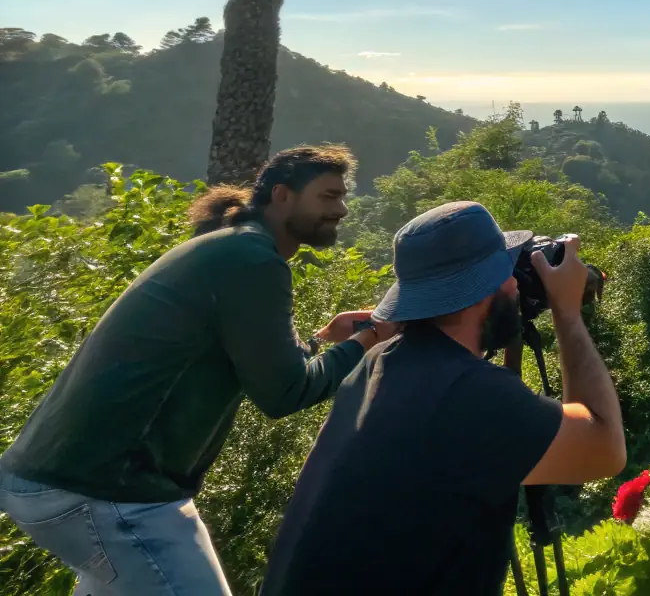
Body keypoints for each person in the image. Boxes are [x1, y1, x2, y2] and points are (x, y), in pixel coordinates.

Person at [0, 144, 387, 595]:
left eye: (342, 196)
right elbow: (284, 393)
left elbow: (256, 358)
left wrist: (323, 341)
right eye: (327, 195)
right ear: (282, 195)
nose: (341, 209)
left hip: (63, 480)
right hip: (107, 490)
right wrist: (368, 343)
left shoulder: (231, 248)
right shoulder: (252, 260)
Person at [260, 200, 627, 596]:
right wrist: (567, 313)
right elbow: (605, 449)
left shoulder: (378, 365)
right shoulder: (472, 395)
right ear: (482, 291)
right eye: (507, 273)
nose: (516, 285)